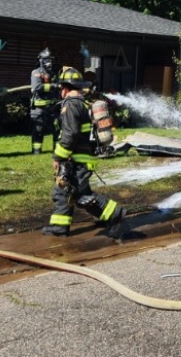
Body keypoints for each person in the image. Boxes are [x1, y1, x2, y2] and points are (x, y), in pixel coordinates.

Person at [42, 66, 126, 238]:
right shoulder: (82, 104)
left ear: (65, 88)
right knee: (63, 192)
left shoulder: (71, 105)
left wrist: (58, 156)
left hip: (75, 160)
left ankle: (114, 213)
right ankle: (59, 227)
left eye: (61, 88)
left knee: (81, 195)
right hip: (80, 158)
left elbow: (70, 135)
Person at [29, 48, 60, 154]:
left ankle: (57, 151)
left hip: (54, 107)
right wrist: (53, 86)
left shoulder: (54, 73)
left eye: (50, 60)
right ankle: (36, 151)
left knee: (57, 129)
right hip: (39, 107)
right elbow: (37, 87)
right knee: (38, 130)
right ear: (41, 61)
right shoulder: (36, 72)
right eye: (46, 60)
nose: (49, 62)